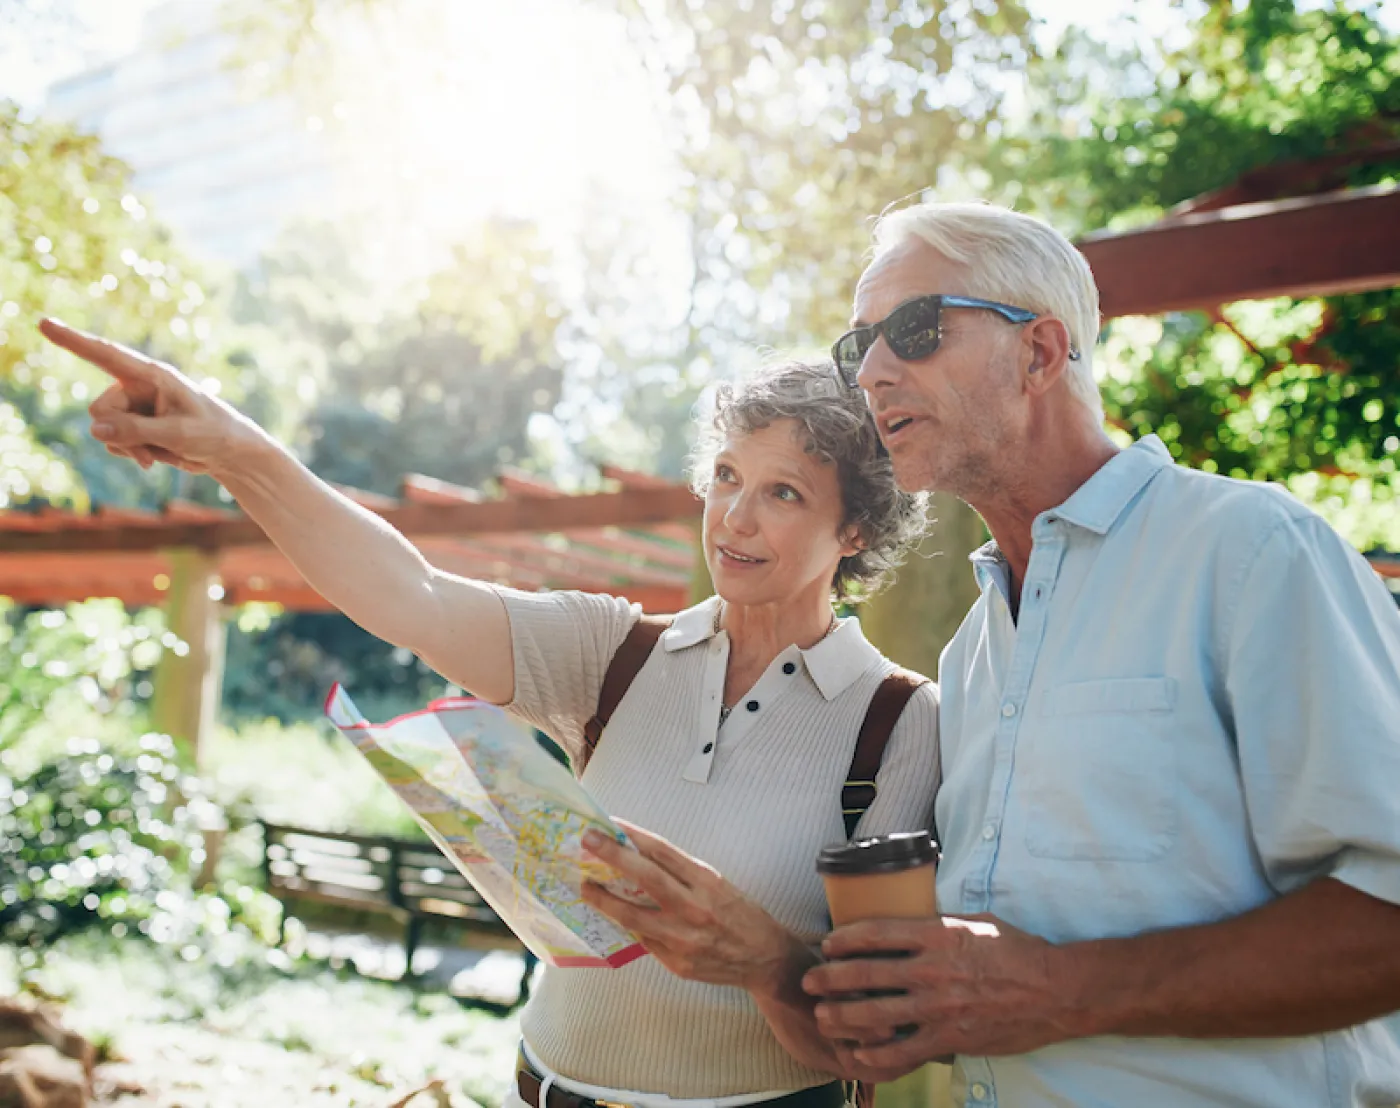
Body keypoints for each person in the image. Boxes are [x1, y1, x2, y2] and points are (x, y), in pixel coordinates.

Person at [585, 201, 1400, 1107]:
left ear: (1041, 354)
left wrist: (1056, 993)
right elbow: (963, 994)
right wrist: (778, 965)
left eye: (914, 329)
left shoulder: (1251, 551)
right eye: (860, 349)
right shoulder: (973, 653)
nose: (874, 374)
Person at [36, 320, 939, 1108]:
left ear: (855, 528)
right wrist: (234, 448)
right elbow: (411, 592)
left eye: (784, 492)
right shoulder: (614, 654)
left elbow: (878, 1047)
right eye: (727, 476)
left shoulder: (902, 725)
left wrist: (765, 962)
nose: (734, 519)